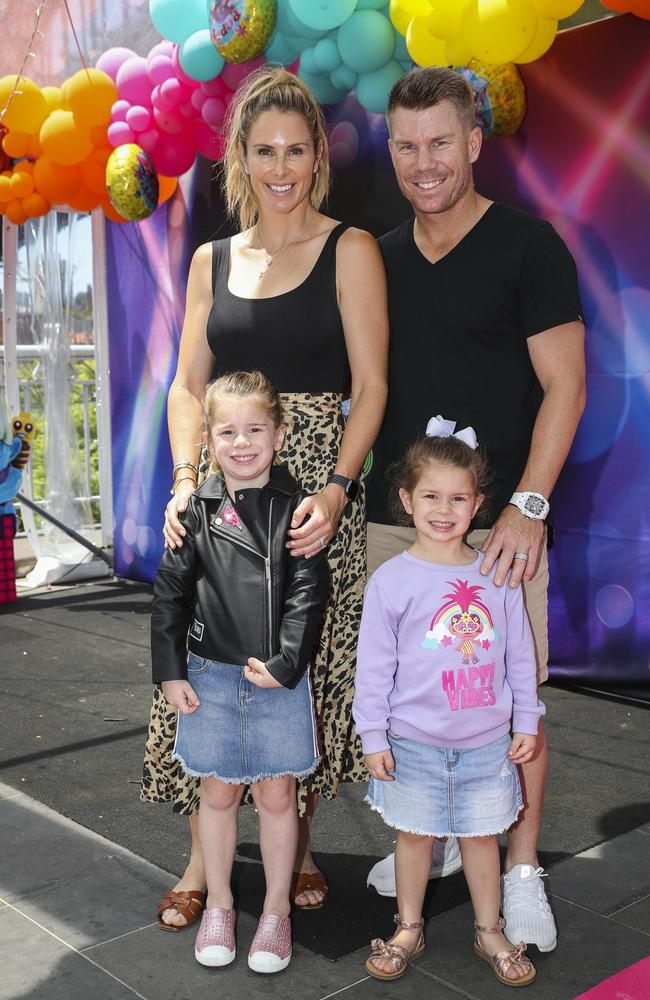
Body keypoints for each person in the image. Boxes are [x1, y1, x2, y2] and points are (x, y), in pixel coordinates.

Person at [141, 66, 388, 923]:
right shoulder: (212, 260)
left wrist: (336, 489)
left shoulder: (350, 248)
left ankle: (303, 841)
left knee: (302, 671)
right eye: (263, 151)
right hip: (227, 491)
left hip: (316, 491)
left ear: (317, 154)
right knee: (209, 664)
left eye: (295, 149)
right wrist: (184, 478)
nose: (280, 166)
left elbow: (373, 385)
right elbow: (185, 386)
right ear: (241, 158)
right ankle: (200, 860)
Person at [363, 66, 585, 953]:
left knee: (510, 699)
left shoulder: (531, 248)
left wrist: (527, 506)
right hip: (396, 530)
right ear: (392, 150)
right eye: (408, 146)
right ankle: (440, 833)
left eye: (441, 142)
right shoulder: (373, 259)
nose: (426, 163)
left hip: (501, 531)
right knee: (416, 694)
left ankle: (521, 868)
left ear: (474, 143)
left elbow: (565, 385)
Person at [151, 371, 330, 973]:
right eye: (228, 431)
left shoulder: (298, 508)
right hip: (210, 677)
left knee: (279, 793)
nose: (243, 441)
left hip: (278, 680)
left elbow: (309, 591)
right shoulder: (193, 510)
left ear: (279, 435)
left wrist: (287, 664)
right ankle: (221, 904)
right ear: (208, 439)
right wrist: (171, 670)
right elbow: (169, 596)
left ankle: (277, 912)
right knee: (219, 791)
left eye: (256, 429)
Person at [354, 425, 543, 986]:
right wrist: (373, 736)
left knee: (482, 839)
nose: (444, 509)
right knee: (415, 837)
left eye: (458, 498)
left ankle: (491, 931)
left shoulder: (497, 575)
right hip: (412, 742)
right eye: (431, 497)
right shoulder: (391, 581)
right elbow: (373, 668)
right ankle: (407, 927)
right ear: (407, 501)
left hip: (487, 743)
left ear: (478, 504)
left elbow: (520, 656)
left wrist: (526, 718)